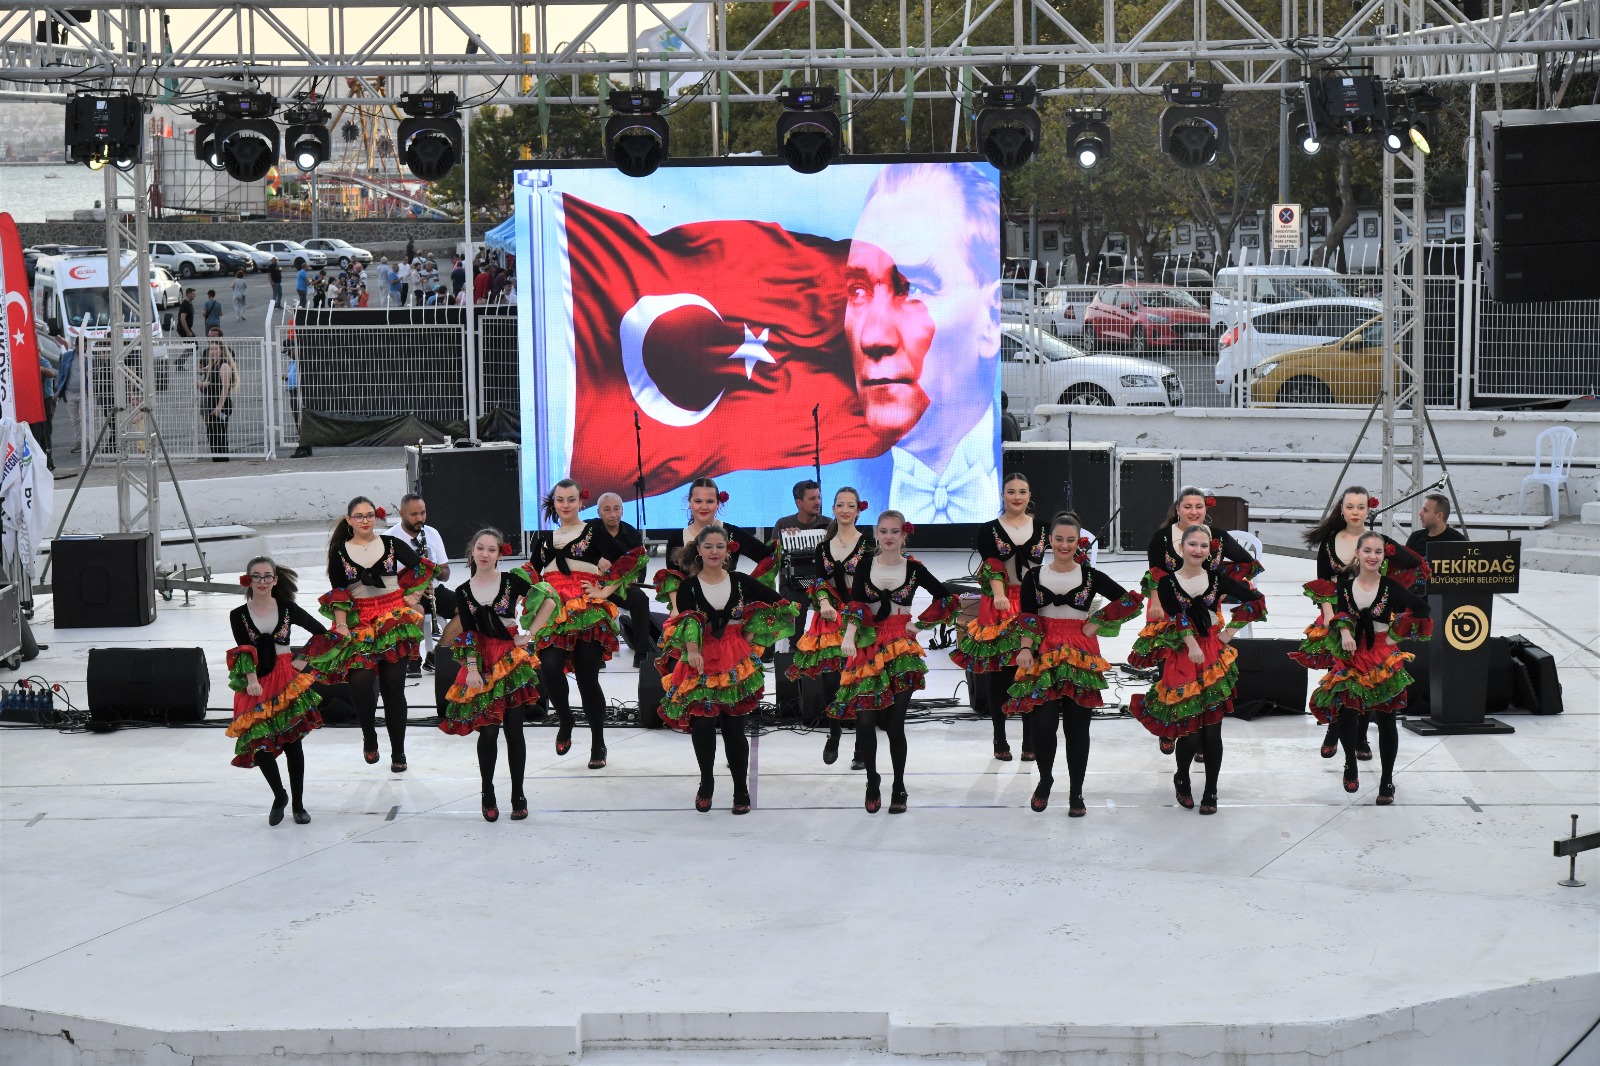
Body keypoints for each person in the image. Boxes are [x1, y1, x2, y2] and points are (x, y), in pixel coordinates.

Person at [844, 162, 1002, 523]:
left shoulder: (1025, 482)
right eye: (858, 291)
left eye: (912, 288)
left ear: (991, 318)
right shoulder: (840, 489)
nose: (873, 336)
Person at [1007, 512, 1143, 816]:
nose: (1064, 545)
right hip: (1045, 651)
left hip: (1080, 652)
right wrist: (1025, 648)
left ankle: (1076, 792)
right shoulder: (1033, 577)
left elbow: (1129, 600)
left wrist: (1097, 621)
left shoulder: (1091, 576)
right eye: (1059, 539)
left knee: (1078, 727)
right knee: (1043, 724)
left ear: (1078, 542)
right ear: (1050, 541)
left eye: (1070, 540)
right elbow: (1028, 616)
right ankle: (1045, 779)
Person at [656, 525, 798, 813]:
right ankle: (706, 781)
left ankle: (740, 789)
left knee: (734, 727)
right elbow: (688, 621)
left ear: (728, 551)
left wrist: (751, 633)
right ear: (698, 550)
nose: (714, 552)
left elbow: (778, 604)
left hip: (735, 659)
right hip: (700, 658)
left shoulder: (741, 582)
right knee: (703, 724)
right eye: (708, 546)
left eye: (720, 546)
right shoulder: (688, 587)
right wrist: (692, 651)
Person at [1129, 524, 1266, 816]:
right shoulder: (1167, 582)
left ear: (1210, 551)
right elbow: (1178, 618)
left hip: (1213, 654)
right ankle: (1182, 777)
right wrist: (1191, 645)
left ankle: (1211, 791)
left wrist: (1228, 633)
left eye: (1204, 546)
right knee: (1189, 730)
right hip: (1183, 656)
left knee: (1213, 730)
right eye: (1193, 544)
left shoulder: (1217, 579)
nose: (1198, 550)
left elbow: (1255, 600)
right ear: (1181, 548)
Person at [832, 510, 961, 813]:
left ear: (904, 535)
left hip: (901, 647)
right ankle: (872, 780)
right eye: (884, 531)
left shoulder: (914, 568)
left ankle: (899, 785)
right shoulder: (865, 564)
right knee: (865, 720)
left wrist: (921, 624)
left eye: (895, 531)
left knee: (894, 724)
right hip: (868, 643)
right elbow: (856, 604)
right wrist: (849, 634)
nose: (889, 537)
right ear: (876, 534)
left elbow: (946, 598)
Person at [1295, 487, 1430, 762]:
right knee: (1341, 678)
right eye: (1350, 507)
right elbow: (1322, 584)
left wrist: (1390, 590)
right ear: (1342, 510)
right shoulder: (1330, 542)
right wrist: (1330, 617)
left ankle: (1361, 737)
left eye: (1360, 507)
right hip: (1338, 617)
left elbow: (1414, 564)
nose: (1355, 512)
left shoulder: (1378, 542)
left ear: (1369, 510)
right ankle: (1334, 730)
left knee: (1368, 678)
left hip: (1373, 619)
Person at [526, 479, 647, 769]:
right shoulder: (543, 539)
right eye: (560, 500)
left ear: (581, 502)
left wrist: (605, 590)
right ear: (553, 503)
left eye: (571, 499)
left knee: (586, 676)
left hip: (587, 611)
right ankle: (566, 719)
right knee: (549, 667)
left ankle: (598, 742)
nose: (565, 505)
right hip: (554, 611)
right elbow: (531, 572)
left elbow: (633, 558)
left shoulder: (593, 532)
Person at [440, 529, 559, 822]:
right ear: (472, 551)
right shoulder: (463, 591)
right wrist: (471, 668)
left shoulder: (510, 581)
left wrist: (529, 634)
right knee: (489, 730)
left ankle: (518, 793)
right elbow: (468, 633)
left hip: (509, 658)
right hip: (481, 660)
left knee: (514, 729)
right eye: (480, 548)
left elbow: (549, 600)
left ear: (500, 554)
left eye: (491, 549)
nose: (485, 554)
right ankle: (488, 792)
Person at [1309, 531, 1431, 804]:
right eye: (1367, 551)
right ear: (1357, 554)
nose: (1372, 556)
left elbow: (1421, 608)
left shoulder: (1390, 586)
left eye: (1378, 551)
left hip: (1381, 655)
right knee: (1347, 709)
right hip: (1352, 653)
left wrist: (1394, 635)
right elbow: (1341, 614)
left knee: (1386, 718)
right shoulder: (1345, 587)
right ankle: (1350, 763)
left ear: (1384, 556)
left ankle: (1387, 780)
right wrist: (1345, 633)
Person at [1141, 487, 1264, 756]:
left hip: (1206, 610)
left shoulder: (1217, 537)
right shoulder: (1163, 537)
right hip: (1168, 608)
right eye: (1188, 506)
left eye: (1199, 506)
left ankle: (1198, 732)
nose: (1193, 511)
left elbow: (1247, 562)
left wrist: (1225, 583)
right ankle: (1169, 725)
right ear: (1177, 509)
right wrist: (1157, 604)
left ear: (1206, 509)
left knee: (1205, 670)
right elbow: (1154, 573)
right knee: (1170, 666)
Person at [319, 495, 437, 772]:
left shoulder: (391, 544)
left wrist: (415, 595)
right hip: (359, 619)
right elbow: (339, 593)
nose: (365, 520)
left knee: (393, 687)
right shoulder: (340, 553)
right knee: (359, 681)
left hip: (391, 617)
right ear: (349, 520)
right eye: (359, 516)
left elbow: (424, 567)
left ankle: (398, 751)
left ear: (377, 517)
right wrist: (341, 626)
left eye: (370, 515)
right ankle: (369, 735)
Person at [225, 558, 339, 826]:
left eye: (268, 576)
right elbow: (244, 650)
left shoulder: (287, 608)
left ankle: (299, 805)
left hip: (286, 679)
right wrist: (251, 680)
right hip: (256, 681)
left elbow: (321, 633)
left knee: (292, 743)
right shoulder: (238, 615)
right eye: (256, 576)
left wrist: (303, 659)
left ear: (275, 580)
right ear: (248, 580)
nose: (262, 581)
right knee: (259, 744)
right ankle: (280, 795)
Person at [952, 472, 1048, 761]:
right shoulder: (988, 529)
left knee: (1030, 671)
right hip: (1000, 604)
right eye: (1011, 491)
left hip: (1031, 602)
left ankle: (1030, 740)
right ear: (1002, 495)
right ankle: (999, 738)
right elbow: (992, 565)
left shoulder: (1043, 527)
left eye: (1022, 491)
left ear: (1030, 496)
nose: (1017, 497)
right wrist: (999, 595)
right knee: (1000, 674)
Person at [789, 486, 874, 766]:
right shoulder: (823, 547)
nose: (845, 510)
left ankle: (861, 745)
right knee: (830, 680)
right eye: (840, 505)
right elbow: (818, 580)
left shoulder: (868, 543)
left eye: (851, 505)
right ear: (834, 509)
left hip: (859, 613)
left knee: (859, 678)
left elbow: (870, 582)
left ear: (858, 511)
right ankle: (834, 732)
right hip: (830, 616)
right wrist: (824, 601)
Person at [660, 477, 775, 607]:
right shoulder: (676, 537)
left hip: (728, 607)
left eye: (710, 501)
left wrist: (746, 589)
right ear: (689, 502)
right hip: (688, 608)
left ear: (718, 503)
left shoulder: (733, 533)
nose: (704, 507)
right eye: (698, 501)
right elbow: (673, 577)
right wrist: (677, 608)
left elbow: (767, 557)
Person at [388, 494, 455, 676]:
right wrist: (413, 588)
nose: (420, 518)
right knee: (415, 610)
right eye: (414, 514)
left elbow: (446, 573)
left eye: (423, 513)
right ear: (401, 514)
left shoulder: (432, 534)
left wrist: (432, 570)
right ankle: (413, 659)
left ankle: (438, 654)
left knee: (467, 608)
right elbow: (386, 581)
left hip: (433, 590)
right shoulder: (389, 538)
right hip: (404, 594)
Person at [595, 491, 654, 665]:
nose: (613, 514)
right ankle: (596, 654)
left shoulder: (632, 534)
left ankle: (642, 653)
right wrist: (596, 559)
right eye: (607, 510)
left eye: (617, 509)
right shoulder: (589, 530)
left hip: (621, 588)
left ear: (622, 510)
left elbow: (640, 568)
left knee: (640, 599)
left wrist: (632, 580)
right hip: (595, 586)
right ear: (598, 512)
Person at [198, 327, 236, 462]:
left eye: (216, 349)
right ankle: (216, 458)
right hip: (211, 401)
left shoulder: (224, 365)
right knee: (212, 432)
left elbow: (225, 387)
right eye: (212, 349)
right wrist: (202, 384)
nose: (213, 351)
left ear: (221, 350)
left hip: (221, 403)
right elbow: (212, 382)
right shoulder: (213, 364)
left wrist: (220, 406)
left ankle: (222, 459)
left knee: (220, 432)